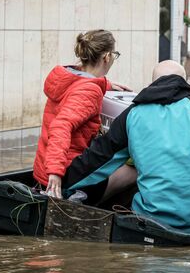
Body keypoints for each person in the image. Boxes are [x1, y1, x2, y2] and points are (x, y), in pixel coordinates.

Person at [63, 60, 190, 237]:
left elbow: (98, 159)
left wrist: (59, 183)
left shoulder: (132, 114)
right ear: (184, 82)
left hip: (150, 221)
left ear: (153, 83)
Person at [33, 29, 133, 199]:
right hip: (65, 172)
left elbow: (79, 89)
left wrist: (105, 84)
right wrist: (56, 172)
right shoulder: (89, 90)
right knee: (135, 168)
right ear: (107, 57)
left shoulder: (67, 77)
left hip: (42, 169)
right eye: (115, 55)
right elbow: (61, 125)